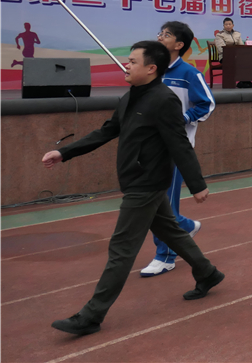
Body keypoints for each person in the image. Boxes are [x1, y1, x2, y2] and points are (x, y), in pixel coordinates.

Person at [42, 41, 223, 336]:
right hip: (135, 179)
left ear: (151, 68)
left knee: (121, 249)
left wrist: (197, 184)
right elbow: (107, 130)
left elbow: (179, 143)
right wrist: (64, 152)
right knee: (172, 232)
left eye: (133, 62)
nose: (126, 65)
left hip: (147, 183)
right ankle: (208, 273)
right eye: (128, 60)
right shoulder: (130, 97)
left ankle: (91, 315)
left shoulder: (164, 100)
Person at [139, 22, 216, 278]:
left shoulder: (188, 74)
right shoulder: (151, 71)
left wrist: (181, 118)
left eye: (167, 34)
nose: (160, 36)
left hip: (174, 149)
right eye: (159, 32)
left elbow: (207, 104)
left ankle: (166, 256)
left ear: (179, 44)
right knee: (153, 204)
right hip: (150, 146)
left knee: (165, 206)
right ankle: (185, 225)